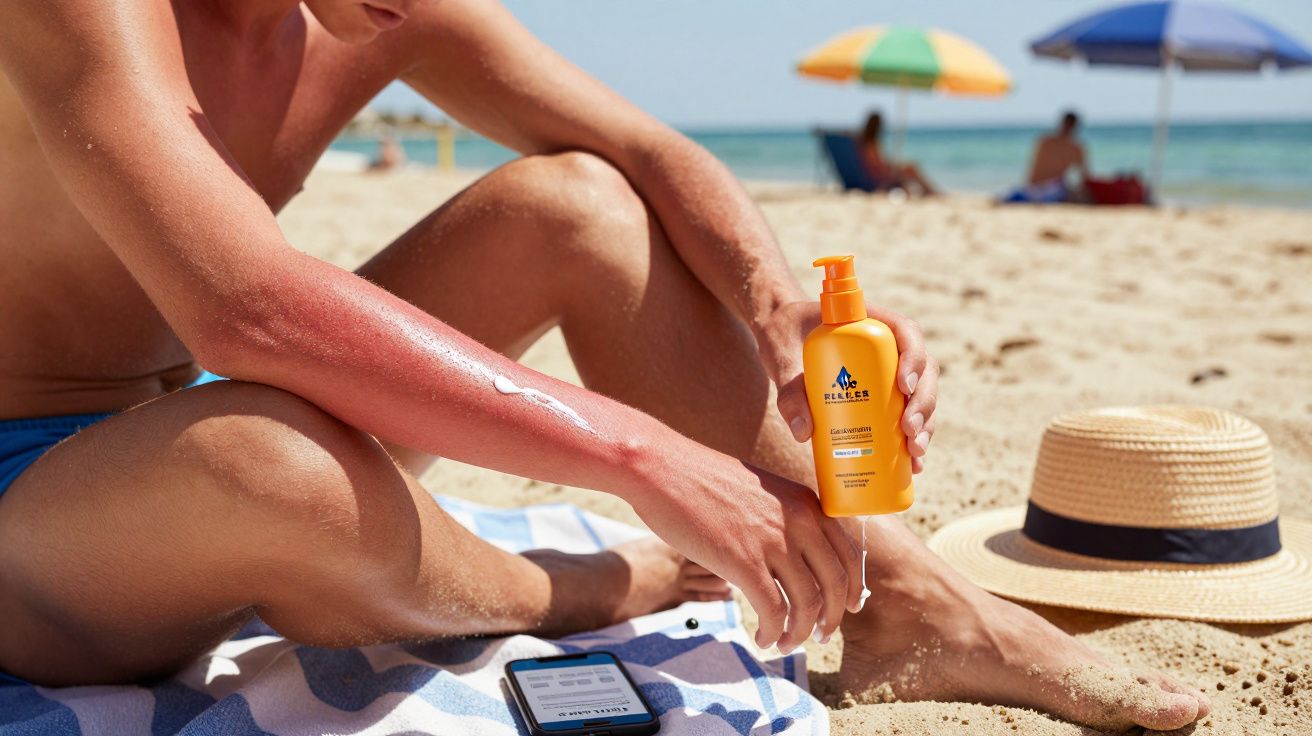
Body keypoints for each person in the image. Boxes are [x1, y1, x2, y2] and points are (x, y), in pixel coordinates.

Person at [0, 1, 1206, 730]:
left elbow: (635, 147)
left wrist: (778, 302)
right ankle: (581, 586)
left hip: (177, 426)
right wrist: (640, 454)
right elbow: (244, 309)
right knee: (265, 462)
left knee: (576, 207)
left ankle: (902, 596)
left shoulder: (370, 12)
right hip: (31, 507)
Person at [857, 111, 939, 196]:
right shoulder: (870, 144)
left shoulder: (863, 142)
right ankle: (928, 190)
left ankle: (926, 190)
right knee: (911, 168)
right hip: (881, 178)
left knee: (910, 167)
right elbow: (877, 166)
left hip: (878, 176)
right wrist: (891, 167)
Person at [1025, 110, 1089, 199]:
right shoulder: (1075, 147)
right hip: (1048, 187)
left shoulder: (1044, 141)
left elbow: (1084, 175)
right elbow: (1084, 174)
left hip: (1036, 187)